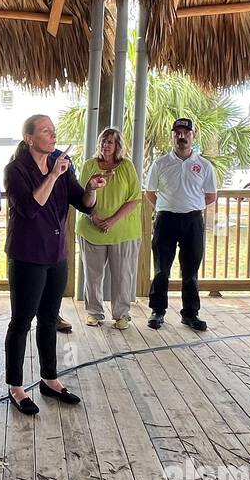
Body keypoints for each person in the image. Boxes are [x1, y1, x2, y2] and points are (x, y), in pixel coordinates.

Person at [3, 114, 106, 415]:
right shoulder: (16, 170)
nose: (52, 135)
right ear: (30, 138)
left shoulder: (62, 164)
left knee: (49, 319)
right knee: (21, 322)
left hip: (56, 255)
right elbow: (31, 207)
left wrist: (92, 187)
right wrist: (53, 176)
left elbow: (84, 204)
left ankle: (49, 378)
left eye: (53, 131)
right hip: (27, 255)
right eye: (45, 131)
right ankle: (16, 386)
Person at [145, 117, 218, 331]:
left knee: (191, 270)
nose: (181, 136)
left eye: (186, 133)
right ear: (172, 136)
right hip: (166, 220)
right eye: (177, 132)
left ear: (193, 136)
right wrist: (168, 205)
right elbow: (150, 192)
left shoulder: (204, 165)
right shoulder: (160, 164)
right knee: (161, 269)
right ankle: (157, 311)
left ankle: (190, 314)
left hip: (193, 221)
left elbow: (211, 195)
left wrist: (191, 205)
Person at [77, 127, 143, 329]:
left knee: (123, 275)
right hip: (91, 229)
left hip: (123, 231)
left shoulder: (127, 166)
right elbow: (82, 195)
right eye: (103, 141)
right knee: (93, 275)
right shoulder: (89, 165)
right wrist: (94, 217)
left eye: (110, 142)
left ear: (118, 146)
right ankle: (94, 313)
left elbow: (134, 198)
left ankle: (122, 315)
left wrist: (113, 220)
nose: (106, 145)